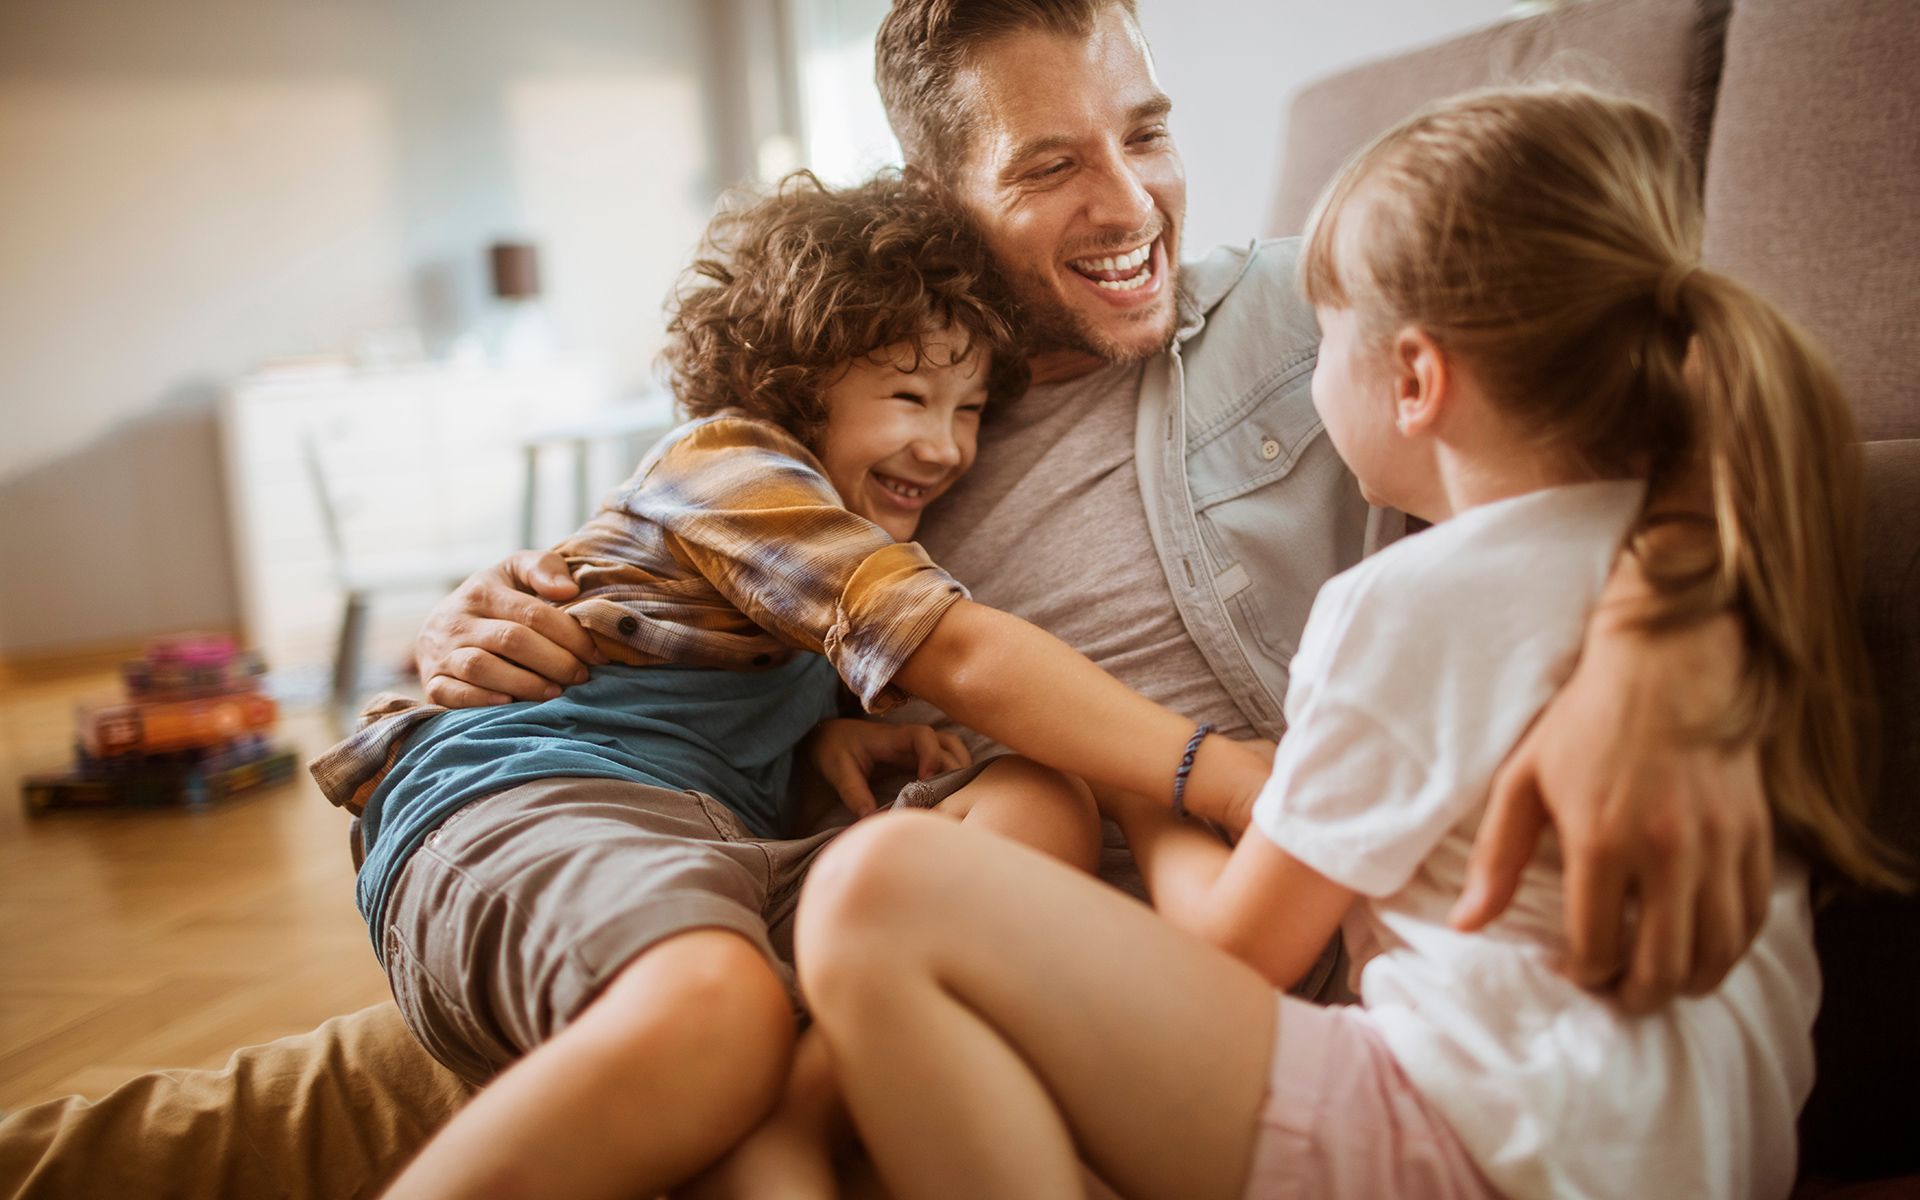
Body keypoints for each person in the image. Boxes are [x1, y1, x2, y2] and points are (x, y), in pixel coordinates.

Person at [0, 2, 1776, 1195]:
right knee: (277, 1117)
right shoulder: (867, 418)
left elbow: (1655, 364)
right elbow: (688, 555)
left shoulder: (1306, 308)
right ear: (935, 200)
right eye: (1049, 165)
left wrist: (1661, 637)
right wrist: (484, 630)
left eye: (1143, 132)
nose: (1132, 204)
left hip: (1160, 944)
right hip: (818, 898)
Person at [792, 85, 1902, 1200]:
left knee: (873, 890)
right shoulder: (1728, 556)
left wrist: (1131, 793)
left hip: (1471, 1143)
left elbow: (1232, 954)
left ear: (1416, 380)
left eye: (1322, 338)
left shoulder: (1412, 603)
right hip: (1714, 1160)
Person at [338, 168, 1298, 1200]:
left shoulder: (822, 536)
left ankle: (791, 1119)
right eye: (908, 397)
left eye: (970, 409)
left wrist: (808, 741)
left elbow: (705, 661)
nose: (946, 445)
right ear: (791, 383)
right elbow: (961, 653)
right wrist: (1218, 776)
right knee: (714, 1009)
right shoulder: (730, 461)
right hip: (527, 800)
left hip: (706, 836)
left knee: (1037, 801)